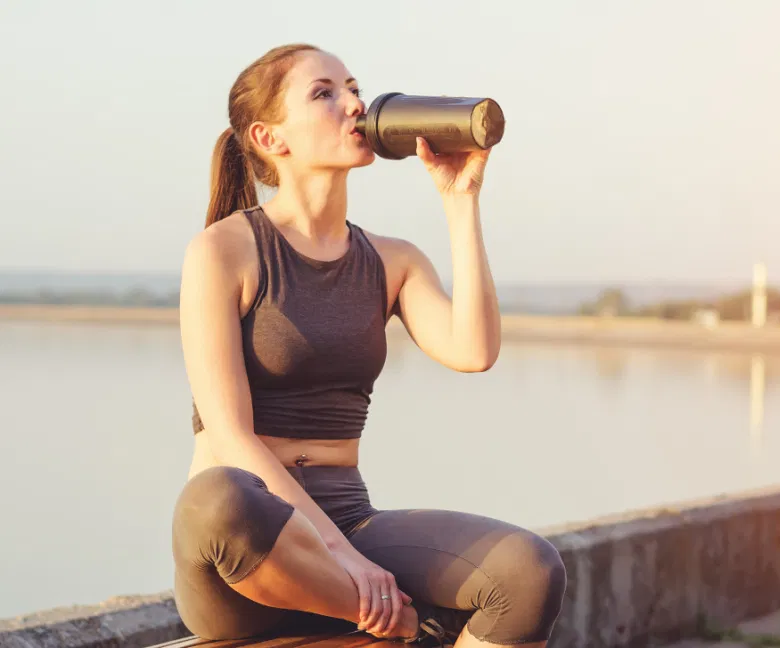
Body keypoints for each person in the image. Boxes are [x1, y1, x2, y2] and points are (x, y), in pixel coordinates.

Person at [170, 43, 567, 648]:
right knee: (220, 499)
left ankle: (372, 606)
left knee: (528, 572)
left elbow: (474, 350)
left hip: (348, 517)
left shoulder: (391, 260)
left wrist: (460, 199)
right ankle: (396, 622)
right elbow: (230, 435)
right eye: (324, 93)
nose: (355, 104)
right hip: (246, 547)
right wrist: (347, 565)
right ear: (270, 138)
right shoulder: (223, 251)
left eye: (354, 88)